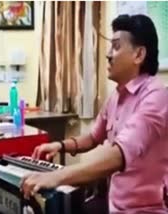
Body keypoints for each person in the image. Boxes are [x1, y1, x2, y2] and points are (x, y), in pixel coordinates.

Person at [20, 14, 168, 213]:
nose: (108, 54)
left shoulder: (157, 97)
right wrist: (59, 146)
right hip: (112, 203)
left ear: (139, 55)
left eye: (116, 47)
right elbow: (92, 137)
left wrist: (57, 176)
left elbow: (119, 155)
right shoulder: (116, 96)